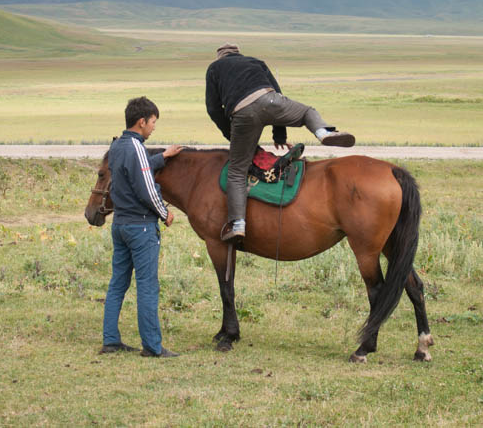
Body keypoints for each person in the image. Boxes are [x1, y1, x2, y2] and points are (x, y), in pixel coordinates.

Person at [205, 43, 355, 241]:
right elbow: (277, 91)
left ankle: (238, 224)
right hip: (271, 100)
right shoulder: (255, 61)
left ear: (220, 57)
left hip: (243, 113)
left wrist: (232, 134)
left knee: (237, 170)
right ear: (238, 53)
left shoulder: (215, 68)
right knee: (307, 111)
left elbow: (213, 108)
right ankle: (322, 132)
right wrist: (280, 136)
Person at [100, 96, 183, 358]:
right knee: (147, 285)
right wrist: (164, 213)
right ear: (141, 121)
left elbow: (136, 169)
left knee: (118, 283)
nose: (154, 127)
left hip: (121, 225)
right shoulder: (136, 148)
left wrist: (164, 157)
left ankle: (111, 340)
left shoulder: (117, 147)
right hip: (142, 228)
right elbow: (146, 187)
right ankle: (152, 346)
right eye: (153, 122)